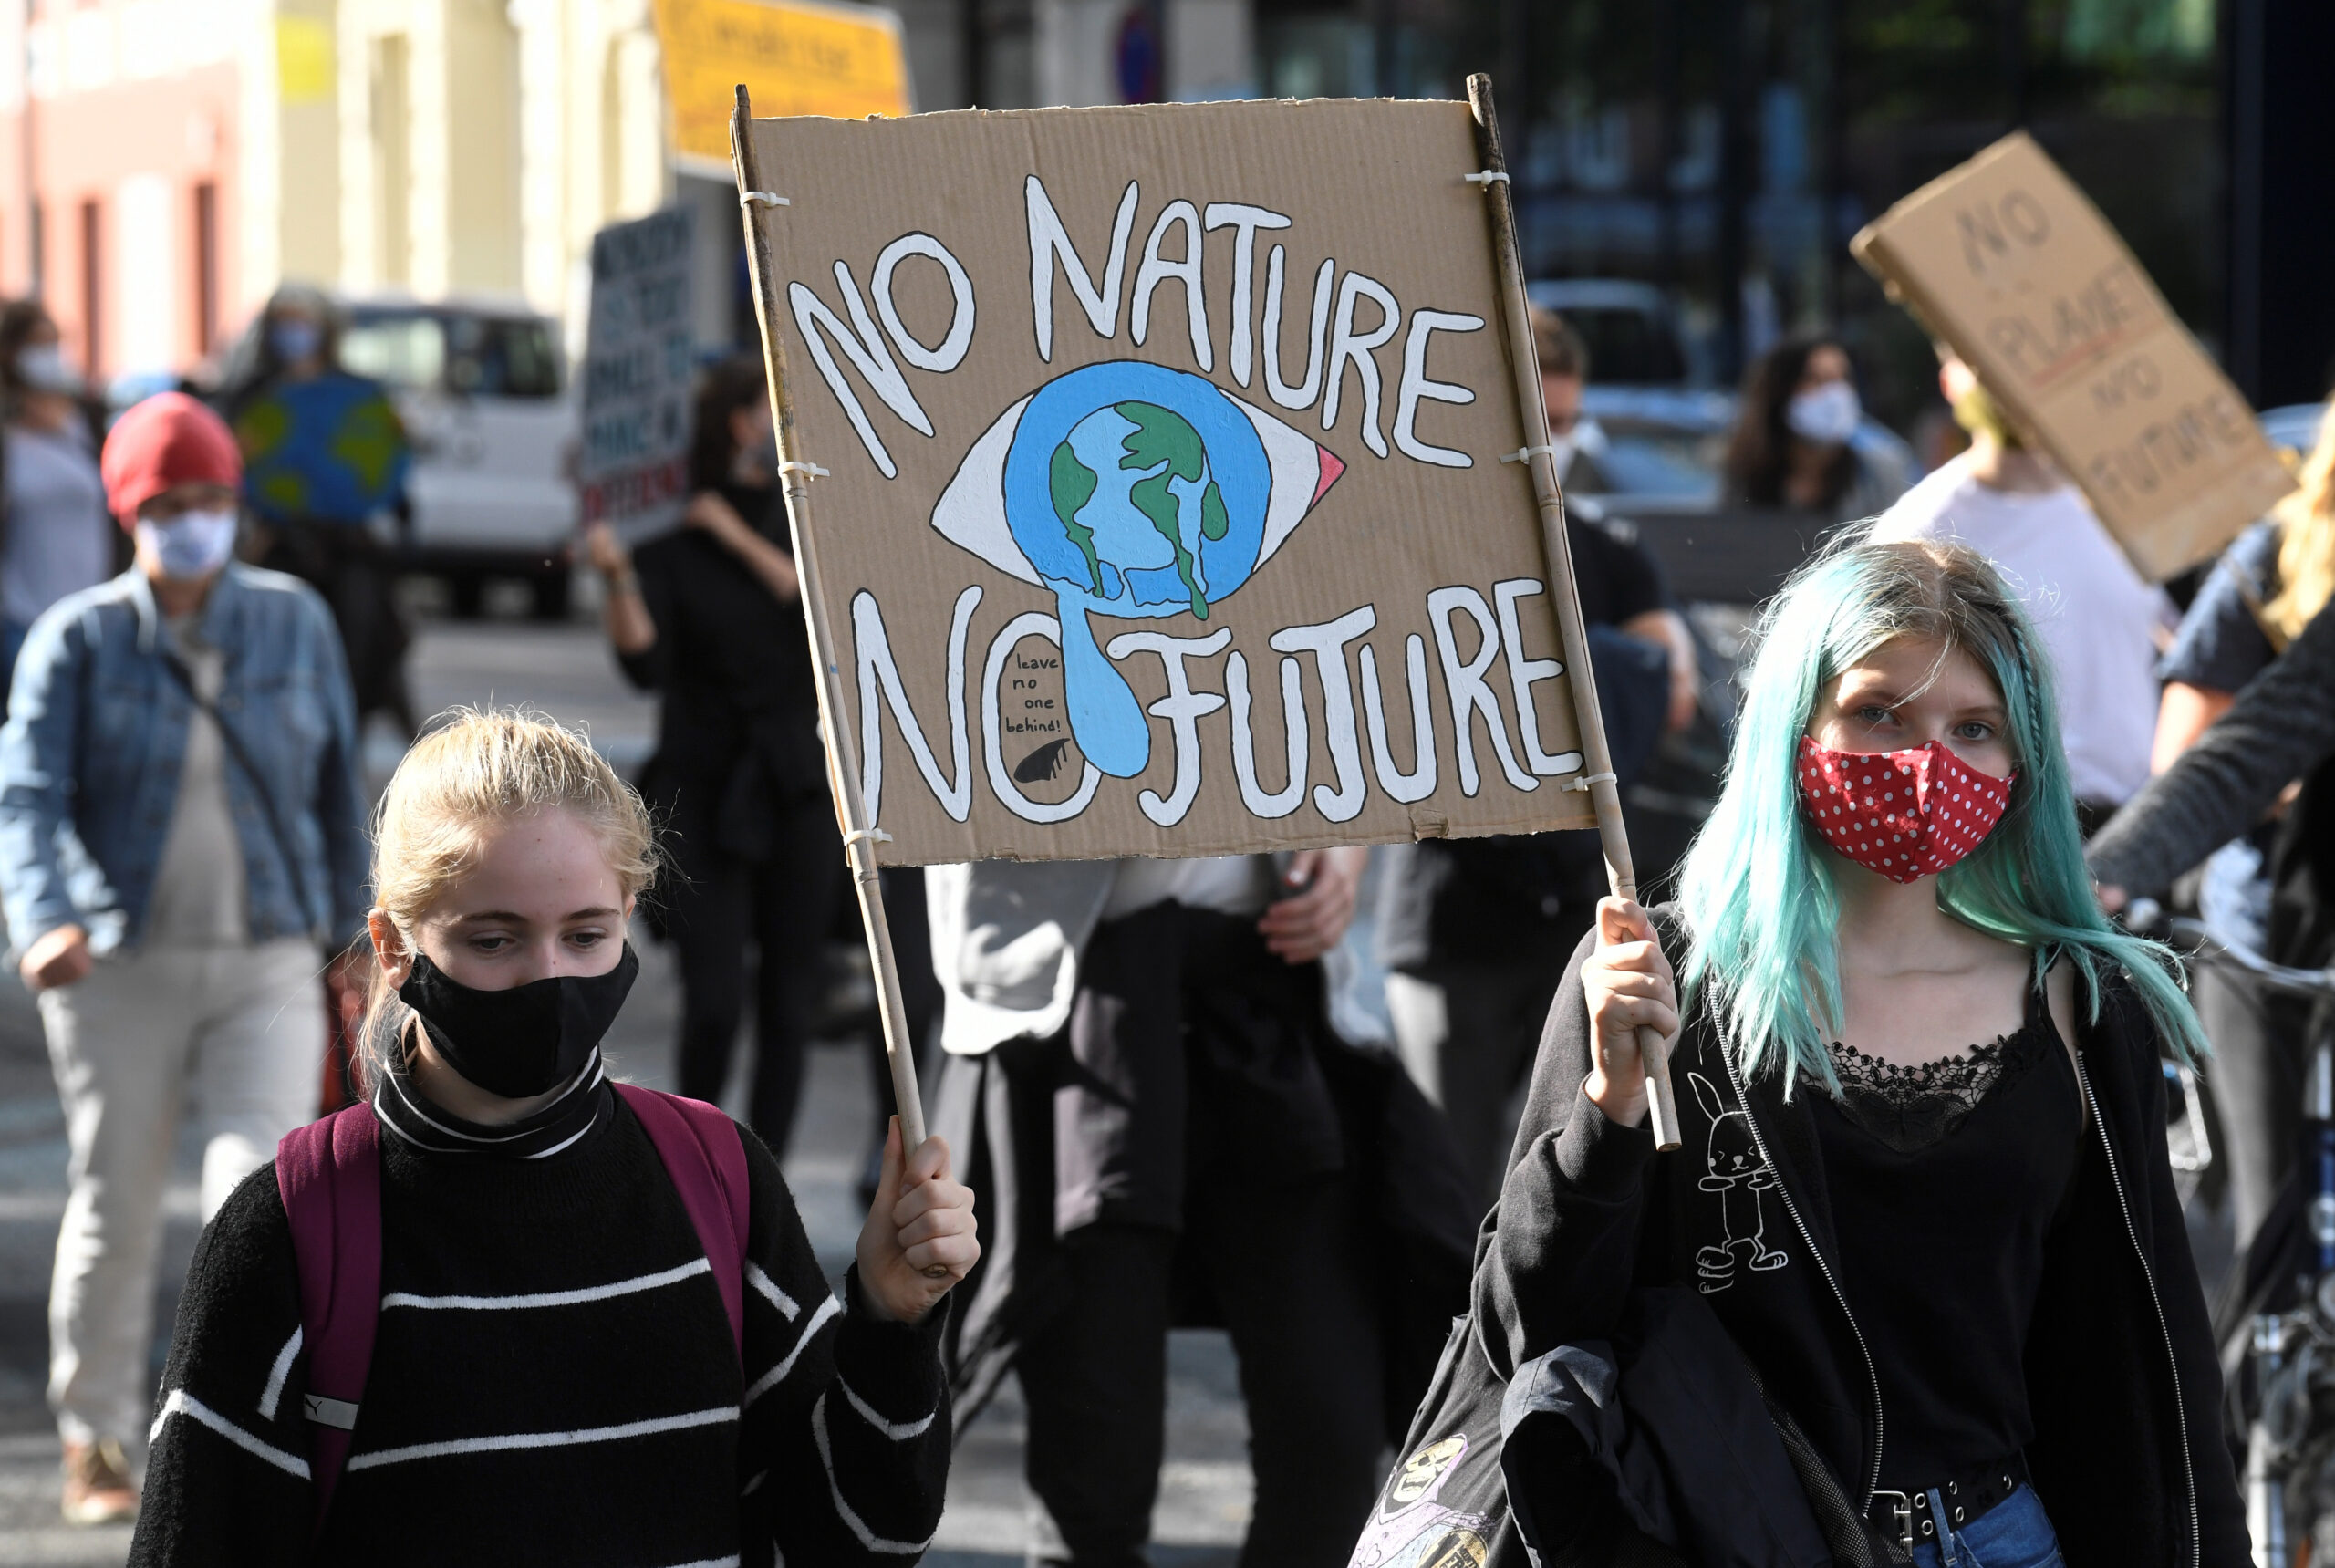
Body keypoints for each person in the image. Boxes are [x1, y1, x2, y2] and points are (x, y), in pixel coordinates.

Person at [1481, 537, 2242, 1566]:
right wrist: (1607, 1108)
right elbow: (1531, 1327)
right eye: (1877, 711)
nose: (1927, 763)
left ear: (2023, 761)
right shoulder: (1661, 980)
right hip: (1744, 1535)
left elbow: (2152, 1367)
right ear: (1795, 726)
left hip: (2008, 1539)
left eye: (1973, 727)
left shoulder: (2078, 1004)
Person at [127, 709, 977, 1562]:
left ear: (628, 915)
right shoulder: (290, 1226)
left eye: (585, 934)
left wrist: (889, 1322)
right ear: (392, 946)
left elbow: (856, 1538)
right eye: (494, 939)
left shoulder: (719, 1180)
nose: (549, 976)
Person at [0, 392, 369, 1526]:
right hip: (116, 970)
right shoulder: (80, 638)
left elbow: (336, 787)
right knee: (113, 1198)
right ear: (128, 513)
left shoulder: (294, 621)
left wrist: (364, 937)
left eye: (208, 499)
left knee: (254, 1197)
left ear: (236, 505)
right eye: (166, 504)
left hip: (266, 958)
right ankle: (96, 1434)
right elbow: (27, 797)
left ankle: (227, 1431)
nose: (191, 522)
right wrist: (42, 919)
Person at [929, 846, 1473, 1568]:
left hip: (1267, 984)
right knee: (1093, 1467)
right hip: (1069, 1003)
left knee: (1334, 1436)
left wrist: (1346, 850)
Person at [1375, 304, 1700, 1204]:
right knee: (1444, 1184)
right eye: (1529, 422)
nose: (1547, 446)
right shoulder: (1413, 549)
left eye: (1561, 425)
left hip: (1572, 919)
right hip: (1453, 916)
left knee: (1564, 1167)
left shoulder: (1604, 554)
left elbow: (1667, 690)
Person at [585, 358, 846, 1158]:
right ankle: (692, 1161)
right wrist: (618, 575)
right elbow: (644, 665)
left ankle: (765, 1174)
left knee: (789, 1001)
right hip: (702, 791)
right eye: (775, 407)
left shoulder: (814, 533)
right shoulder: (669, 551)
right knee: (715, 1000)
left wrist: (730, 532)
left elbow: (820, 610)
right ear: (740, 420)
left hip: (798, 788)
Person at [2128, 401, 2335, 1255]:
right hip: (2270, 933)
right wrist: (2105, 874)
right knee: (2274, 1220)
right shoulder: (2274, 558)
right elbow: (2204, 758)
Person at [1870, 350, 2170, 826]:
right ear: (1949, 380)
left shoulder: (2135, 509)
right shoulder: (1917, 530)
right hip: (1998, 830)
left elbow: (2190, 649)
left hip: (2134, 822)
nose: (2013, 379)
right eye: (1981, 358)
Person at [222, 283, 415, 733]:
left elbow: (389, 472)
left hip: (352, 554)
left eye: (302, 321)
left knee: (362, 658)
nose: (293, 332)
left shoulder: (360, 394)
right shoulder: (251, 396)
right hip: (277, 549)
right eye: (284, 321)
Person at [0, 301, 113, 689]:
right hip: (18, 620)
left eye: (55, 342)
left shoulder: (86, 417)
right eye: (37, 344)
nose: (49, 355)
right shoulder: (9, 434)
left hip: (91, 618)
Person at [1722, 336, 1910, 520]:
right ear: (1781, 391)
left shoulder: (1880, 471)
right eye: (1816, 380)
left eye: (1842, 378)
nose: (1835, 394)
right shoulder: (1745, 473)